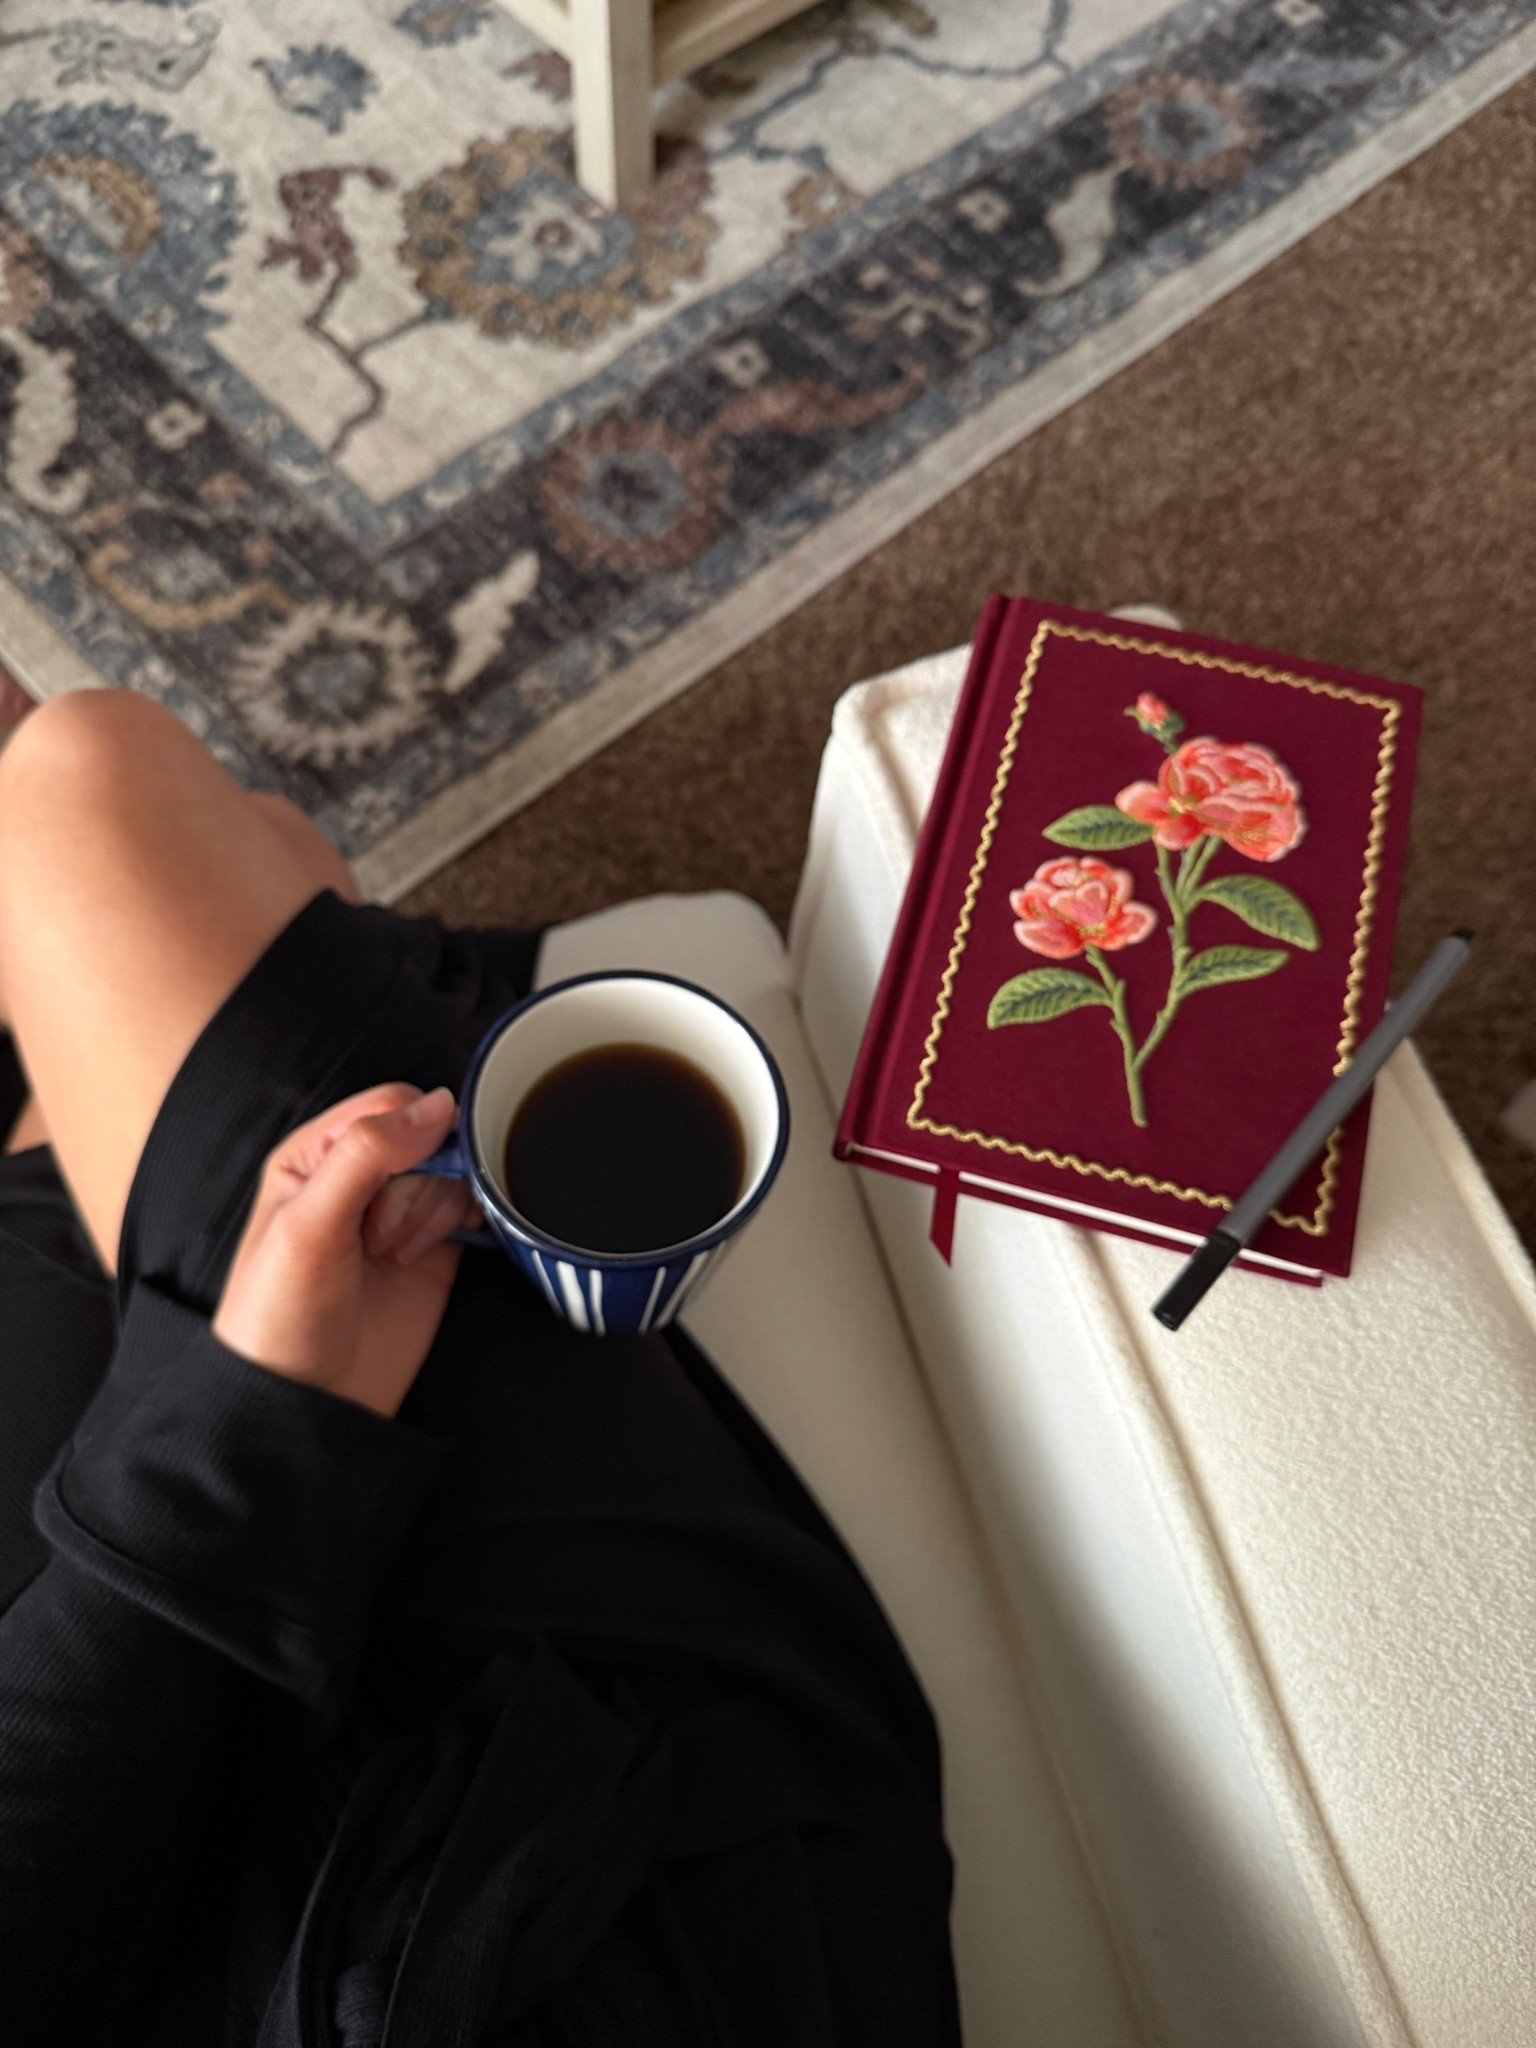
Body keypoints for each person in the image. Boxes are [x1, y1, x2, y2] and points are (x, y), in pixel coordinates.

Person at [0, 691, 961, 2047]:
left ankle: (359, 961)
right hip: (547, 1878)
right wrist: (247, 1434)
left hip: (149, 1896)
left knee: (119, 960)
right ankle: (362, 962)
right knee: (91, 790)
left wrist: (237, 1438)